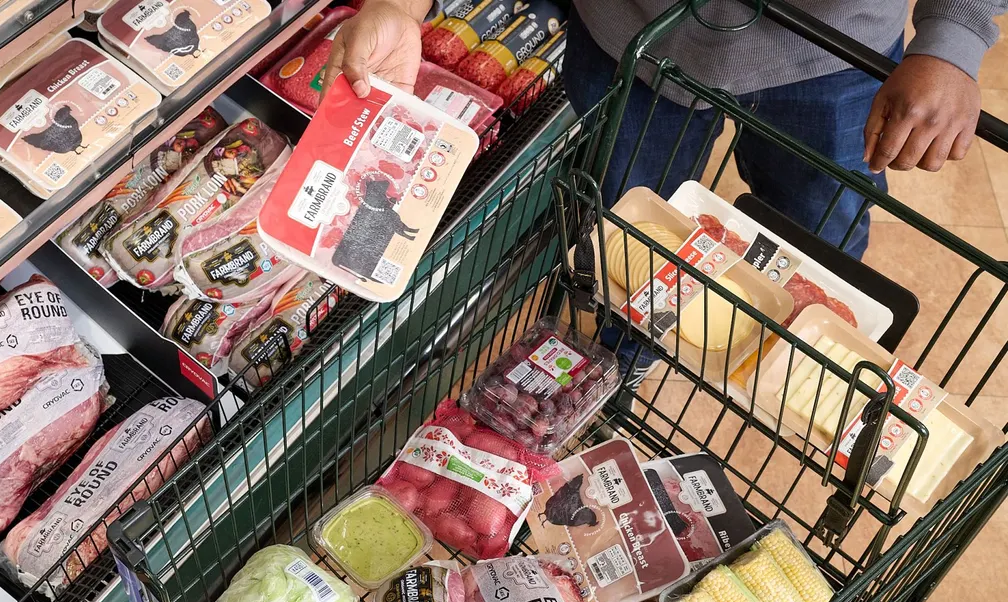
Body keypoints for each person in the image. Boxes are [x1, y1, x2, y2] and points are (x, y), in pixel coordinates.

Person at [322, 0, 1004, 388]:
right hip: (631, 30)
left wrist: (954, 37)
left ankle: (785, 371)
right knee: (623, 235)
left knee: (817, 241)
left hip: (835, 46)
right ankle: (619, 366)